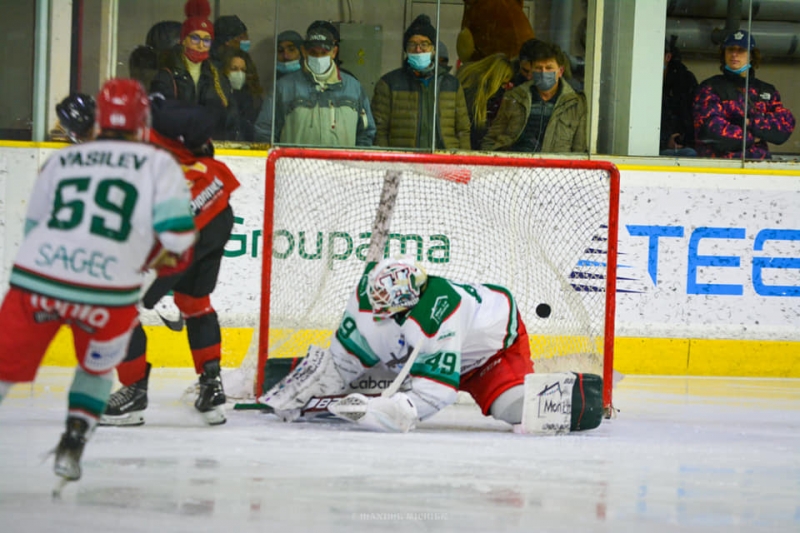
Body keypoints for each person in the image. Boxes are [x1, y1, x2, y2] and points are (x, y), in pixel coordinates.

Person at [0, 79, 196, 485]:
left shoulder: (61, 162)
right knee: (95, 367)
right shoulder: (159, 163)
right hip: (106, 293)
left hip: (39, 278)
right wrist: (146, 261)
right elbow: (178, 239)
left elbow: (35, 226)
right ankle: (74, 440)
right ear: (144, 120)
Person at [259, 257, 533, 433]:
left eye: (383, 296)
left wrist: (394, 410)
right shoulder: (367, 297)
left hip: (489, 356)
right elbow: (345, 360)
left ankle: (573, 393)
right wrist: (309, 387)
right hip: (419, 359)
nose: (374, 300)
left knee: (518, 409)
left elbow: (438, 391)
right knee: (344, 380)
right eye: (375, 292)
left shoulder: (440, 312)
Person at [100, 99, 239, 427]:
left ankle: (133, 394)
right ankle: (211, 389)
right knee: (195, 302)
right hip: (217, 208)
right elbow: (207, 148)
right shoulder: (166, 131)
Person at [253, 20, 375, 147]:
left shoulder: (353, 87)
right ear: (304, 52)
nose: (318, 58)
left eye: (323, 53)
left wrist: (356, 162)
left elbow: (366, 133)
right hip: (296, 166)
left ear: (334, 52)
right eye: (313, 53)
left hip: (342, 166)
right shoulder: (284, 88)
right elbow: (265, 131)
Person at [371, 14, 471, 150]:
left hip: (443, 162)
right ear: (406, 49)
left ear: (433, 49)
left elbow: (463, 131)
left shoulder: (451, 84)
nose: (418, 49)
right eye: (412, 44)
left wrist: (462, 162)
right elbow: (379, 131)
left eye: (424, 44)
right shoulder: (389, 83)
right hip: (403, 164)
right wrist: (387, 162)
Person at [693, 30, 795, 160]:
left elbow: (785, 125)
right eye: (730, 49)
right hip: (721, 166)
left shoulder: (766, 90)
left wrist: (748, 123)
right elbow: (711, 130)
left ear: (751, 55)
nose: (734, 54)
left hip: (760, 167)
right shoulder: (710, 87)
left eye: (741, 50)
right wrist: (756, 136)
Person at [150, 0, 240, 141]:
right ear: (183, 40)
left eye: (206, 40)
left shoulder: (219, 78)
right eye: (195, 38)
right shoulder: (166, 76)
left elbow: (231, 120)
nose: (200, 45)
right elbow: (160, 117)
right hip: (175, 148)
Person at [481, 39, 587, 153]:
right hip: (515, 166)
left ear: (560, 71)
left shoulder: (575, 104)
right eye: (538, 68)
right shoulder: (515, 97)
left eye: (549, 68)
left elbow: (579, 151)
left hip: (553, 169)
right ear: (532, 71)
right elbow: (492, 139)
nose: (543, 72)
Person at [457, 53, 514, 150]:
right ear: (496, 79)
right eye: (503, 84)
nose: (504, 88)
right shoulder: (474, 93)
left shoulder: (470, 86)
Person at [661, 36, 698, 157]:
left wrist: (681, 139)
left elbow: (692, 116)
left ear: (668, 57)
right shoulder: (637, 81)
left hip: (682, 146)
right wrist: (665, 140)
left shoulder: (684, 80)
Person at [221, 47, 264, 142]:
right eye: (234, 69)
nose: (239, 74)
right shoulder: (216, 95)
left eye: (243, 70)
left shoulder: (254, 99)